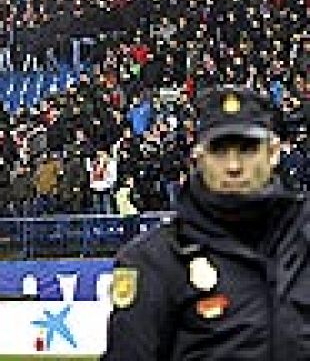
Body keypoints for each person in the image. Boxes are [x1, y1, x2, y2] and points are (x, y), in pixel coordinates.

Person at [103, 86, 309, 360]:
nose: (234, 165)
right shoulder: (156, 261)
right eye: (220, 149)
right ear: (198, 157)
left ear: (273, 152)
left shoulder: (304, 244)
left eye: (247, 148)